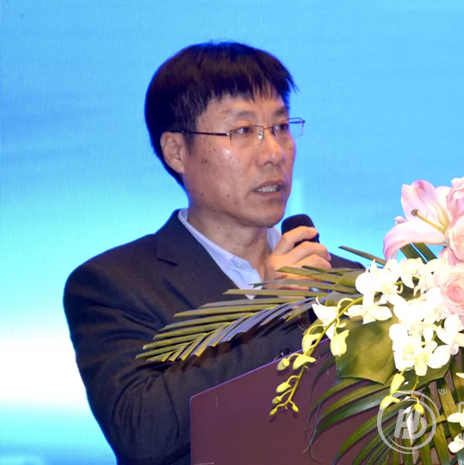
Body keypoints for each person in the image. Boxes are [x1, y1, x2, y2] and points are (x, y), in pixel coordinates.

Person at [63, 42, 362, 465]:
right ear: (176, 151)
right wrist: (269, 311)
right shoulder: (115, 284)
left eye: (280, 126)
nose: (274, 153)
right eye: (242, 131)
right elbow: (142, 433)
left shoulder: (350, 280)